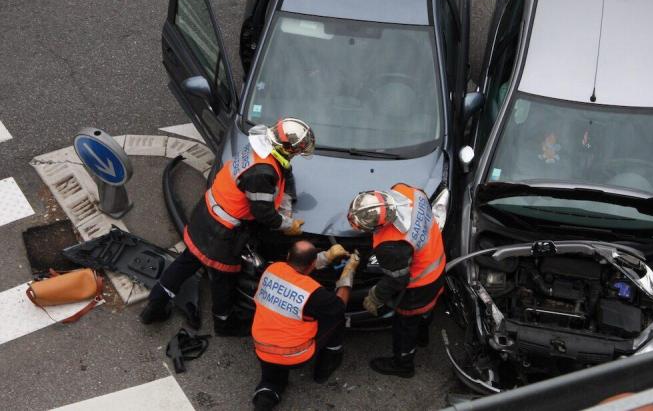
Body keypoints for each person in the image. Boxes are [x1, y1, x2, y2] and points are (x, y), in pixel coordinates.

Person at [140, 118, 349, 336]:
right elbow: (264, 213)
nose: (296, 155)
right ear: (286, 147)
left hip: (207, 214)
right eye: (296, 151)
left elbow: (285, 174)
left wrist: (287, 203)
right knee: (222, 280)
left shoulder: (262, 146)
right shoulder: (262, 172)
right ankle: (224, 324)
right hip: (222, 233)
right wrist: (288, 225)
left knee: (187, 261)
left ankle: (155, 305)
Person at [346, 183, 446, 378]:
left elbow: (396, 281)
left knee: (405, 324)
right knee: (426, 312)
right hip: (436, 262)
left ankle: (403, 363)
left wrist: (375, 296)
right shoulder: (405, 191)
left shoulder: (392, 246)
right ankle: (422, 337)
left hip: (419, 285)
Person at [252, 240, 359, 411]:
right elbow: (339, 306)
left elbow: (299, 267)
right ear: (313, 263)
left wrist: (327, 256)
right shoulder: (315, 294)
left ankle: (267, 393)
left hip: (262, 348)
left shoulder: (272, 269)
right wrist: (348, 273)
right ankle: (325, 367)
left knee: (271, 381)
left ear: (288, 256)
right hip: (296, 354)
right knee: (336, 318)